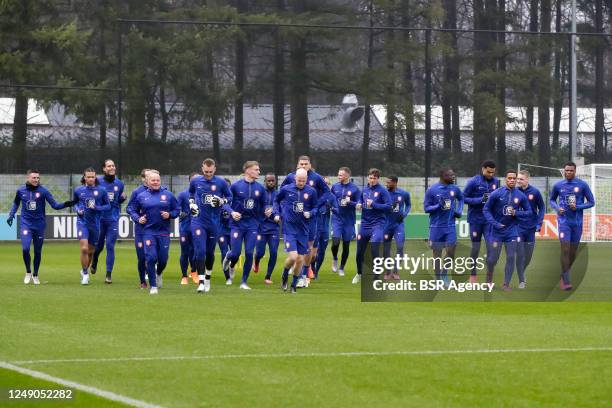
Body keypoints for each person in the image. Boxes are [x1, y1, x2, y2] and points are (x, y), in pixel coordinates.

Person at [8, 169, 72, 284]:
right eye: (34, 178)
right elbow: (16, 203)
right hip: (25, 224)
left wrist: (66, 204)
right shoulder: (20, 191)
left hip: (39, 226)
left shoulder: (43, 191)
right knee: (25, 248)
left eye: (38, 178)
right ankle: (28, 271)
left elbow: (55, 205)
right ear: (28, 178)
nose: (36, 180)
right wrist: (11, 215)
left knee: (37, 251)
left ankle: (35, 274)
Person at [281, 156, 330, 286]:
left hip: (311, 218)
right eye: (301, 164)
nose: (303, 166)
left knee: (309, 248)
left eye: (305, 164)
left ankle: (305, 273)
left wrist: (316, 205)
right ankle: (300, 272)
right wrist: (284, 209)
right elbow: (281, 193)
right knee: (298, 248)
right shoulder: (291, 177)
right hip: (294, 219)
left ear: (310, 165)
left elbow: (327, 192)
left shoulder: (317, 178)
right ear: (297, 165)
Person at [128, 171, 179, 295]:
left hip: (164, 232)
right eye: (153, 180)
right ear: (147, 181)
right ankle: (153, 286)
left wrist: (170, 214)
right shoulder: (141, 196)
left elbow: (177, 210)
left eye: (157, 180)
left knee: (163, 259)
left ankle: (159, 273)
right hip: (148, 232)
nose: (155, 182)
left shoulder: (168, 195)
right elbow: (131, 209)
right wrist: (138, 218)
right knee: (151, 258)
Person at [189, 158, 233, 293]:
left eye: (210, 171)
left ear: (214, 169)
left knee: (210, 252)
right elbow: (190, 193)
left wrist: (221, 200)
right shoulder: (196, 181)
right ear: (202, 169)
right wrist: (191, 204)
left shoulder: (221, 182)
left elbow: (230, 198)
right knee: (200, 251)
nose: (208, 174)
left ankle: (207, 277)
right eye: (206, 171)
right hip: (198, 221)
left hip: (214, 222)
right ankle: (201, 282)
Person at [549, 162, 595, 290]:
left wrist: (578, 206)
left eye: (571, 171)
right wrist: (558, 208)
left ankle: (564, 273)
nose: (568, 172)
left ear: (575, 171)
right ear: (564, 171)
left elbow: (592, 202)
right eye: (566, 170)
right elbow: (552, 199)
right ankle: (566, 281)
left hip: (577, 223)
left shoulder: (582, 185)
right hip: (564, 222)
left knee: (573, 252)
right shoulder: (558, 185)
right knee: (565, 249)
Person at [483, 170, 532, 290]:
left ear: (516, 180)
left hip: (512, 231)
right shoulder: (496, 193)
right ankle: (489, 280)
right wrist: (495, 223)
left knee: (511, 257)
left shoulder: (521, 196)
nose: (512, 180)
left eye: (514, 178)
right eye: (509, 178)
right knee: (493, 259)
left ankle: (506, 284)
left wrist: (517, 213)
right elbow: (486, 209)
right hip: (497, 232)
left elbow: (529, 212)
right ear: (505, 179)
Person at [222, 161, 266, 290]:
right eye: (256, 169)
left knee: (249, 252)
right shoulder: (236, 186)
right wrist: (232, 212)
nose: (259, 172)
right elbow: (224, 203)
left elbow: (263, 206)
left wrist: (265, 212)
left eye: (259, 169)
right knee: (235, 253)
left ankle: (243, 282)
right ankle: (228, 258)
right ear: (247, 170)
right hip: (237, 224)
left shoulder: (260, 188)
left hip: (252, 224)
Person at [274, 168, 319, 294]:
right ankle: (284, 276)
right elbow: (276, 200)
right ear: (295, 178)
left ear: (307, 180)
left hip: (303, 230)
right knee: (293, 256)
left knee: (300, 259)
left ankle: (293, 285)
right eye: (299, 180)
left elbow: (316, 207)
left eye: (303, 180)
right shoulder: (286, 189)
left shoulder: (311, 191)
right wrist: (276, 213)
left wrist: (310, 213)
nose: (301, 182)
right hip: (289, 228)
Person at [463, 160, 500, 283]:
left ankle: (489, 279)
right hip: (475, 220)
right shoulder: (473, 181)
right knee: (475, 248)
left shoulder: (496, 182)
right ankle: (473, 275)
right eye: (488, 172)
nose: (490, 174)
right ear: (483, 169)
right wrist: (480, 200)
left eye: (493, 172)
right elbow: (464, 198)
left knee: (491, 248)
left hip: (489, 220)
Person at [424, 168, 463, 282]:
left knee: (451, 252)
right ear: (443, 176)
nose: (453, 177)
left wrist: (459, 211)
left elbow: (461, 198)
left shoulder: (454, 189)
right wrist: (437, 206)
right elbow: (426, 208)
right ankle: (437, 279)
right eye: (451, 175)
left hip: (450, 226)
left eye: (454, 175)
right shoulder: (432, 190)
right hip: (436, 227)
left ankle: (444, 273)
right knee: (437, 254)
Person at [353, 168, 392, 284]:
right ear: (367, 178)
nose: (372, 180)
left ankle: (376, 276)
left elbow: (389, 206)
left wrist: (374, 204)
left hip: (377, 225)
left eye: (375, 178)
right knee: (359, 252)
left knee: (375, 248)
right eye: (370, 178)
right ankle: (359, 273)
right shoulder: (364, 190)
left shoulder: (383, 191)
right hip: (365, 225)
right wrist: (358, 205)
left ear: (378, 179)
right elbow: (360, 202)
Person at [73, 167, 110, 285]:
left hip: (95, 225)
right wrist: (78, 210)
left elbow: (108, 206)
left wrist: (97, 208)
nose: (90, 179)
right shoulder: (78, 190)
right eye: (88, 177)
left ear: (95, 177)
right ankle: (85, 274)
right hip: (82, 223)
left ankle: (85, 269)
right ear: (84, 177)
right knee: (84, 248)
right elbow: (75, 204)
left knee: (90, 252)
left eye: (92, 177)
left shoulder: (102, 191)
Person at [91, 159, 126, 284]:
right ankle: (95, 258)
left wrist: (122, 199)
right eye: (109, 166)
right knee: (99, 246)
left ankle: (108, 274)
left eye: (113, 165)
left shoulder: (120, 184)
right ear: (104, 169)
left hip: (113, 219)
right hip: (99, 219)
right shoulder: (97, 182)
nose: (111, 167)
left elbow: (117, 201)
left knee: (110, 246)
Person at [516, 170, 545, 289]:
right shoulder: (514, 192)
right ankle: (521, 279)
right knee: (520, 254)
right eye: (518, 179)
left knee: (528, 257)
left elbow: (542, 207)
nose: (518, 181)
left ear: (527, 179)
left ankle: (521, 271)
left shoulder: (535, 192)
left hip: (531, 228)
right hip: (517, 228)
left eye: (521, 179)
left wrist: (539, 223)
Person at [330, 167, 360, 277]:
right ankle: (334, 258)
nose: (338, 177)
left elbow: (358, 204)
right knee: (335, 242)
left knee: (346, 246)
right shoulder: (335, 186)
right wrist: (332, 207)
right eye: (338, 175)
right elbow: (330, 199)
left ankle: (342, 268)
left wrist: (350, 202)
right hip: (337, 219)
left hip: (349, 221)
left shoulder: (355, 189)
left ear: (347, 175)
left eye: (341, 175)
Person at [253, 173, 281, 285]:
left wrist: (278, 215)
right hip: (261, 227)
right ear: (264, 181)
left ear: (275, 182)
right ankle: (256, 260)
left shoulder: (279, 194)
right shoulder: (260, 193)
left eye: (272, 181)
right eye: (268, 181)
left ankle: (268, 276)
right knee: (260, 252)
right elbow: (254, 206)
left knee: (274, 252)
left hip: (274, 227)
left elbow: (283, 208)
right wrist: (263, 211)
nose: (270, 182)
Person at [382, 176, 411, 280]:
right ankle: (388, 271)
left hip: (398, 225)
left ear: (395, 182)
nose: (386, 184)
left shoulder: (404, 194)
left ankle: (395, 271)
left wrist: (404, 214)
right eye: (386, 182)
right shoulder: (383, 193)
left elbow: (408, 205)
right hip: (386, 225)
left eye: (388, 182)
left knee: (400, 247)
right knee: (386, 249)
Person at [126, 169, 151, 288]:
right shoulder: (137, 192)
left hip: (155, 230)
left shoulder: (162, 192)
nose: (150, 178)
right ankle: (143, 281)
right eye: (147, 176)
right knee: (142, 257)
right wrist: (137, 218)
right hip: (141, 230)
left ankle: (154, 273)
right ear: (143, 179)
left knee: (154, 256)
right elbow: (129, 208)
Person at [313, 177, 337, 279]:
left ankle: (316, 271)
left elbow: (337, 210)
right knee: (312, 251)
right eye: (324, 183)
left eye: (327, 183)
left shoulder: (331, 196)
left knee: (322, 251)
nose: (326, 185)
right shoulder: (314, 194)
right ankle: (310, 270)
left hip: (325, 228)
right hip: (314, 227)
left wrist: (331, 208)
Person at [177, 173, 198, 285]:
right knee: (185, 252)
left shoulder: (202, 194)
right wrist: (180, 213)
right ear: (190, 182)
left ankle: (194, 272)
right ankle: (184, 276)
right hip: (185, 228)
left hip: (198, 228)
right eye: (194, 180)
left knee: (195, 251)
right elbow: (176, 208)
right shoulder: (183, 194)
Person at [218, 178, 233, 285]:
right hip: (221, 231)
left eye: (228, 186)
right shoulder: (217, 200)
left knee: (235, 253)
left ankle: (232, 266)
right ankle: (227, 277)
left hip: (233, 230)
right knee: (224, 252)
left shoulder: (234, 200)